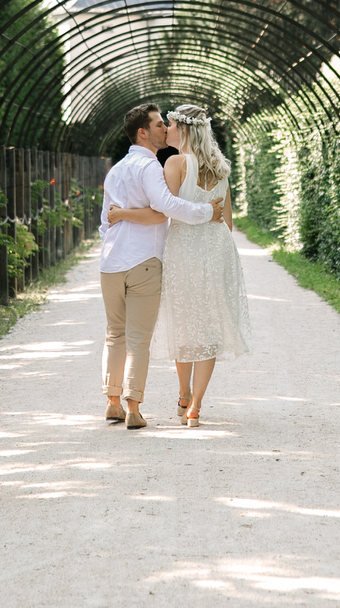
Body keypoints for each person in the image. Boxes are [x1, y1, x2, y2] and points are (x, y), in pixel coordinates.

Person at [107, 104, 250, 428]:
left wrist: (123, 214)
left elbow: (165, 209)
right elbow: (226, 220)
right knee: (210, 324)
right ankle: (194, 405)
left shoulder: (174, 163)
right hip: (216, 247)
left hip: (185, 247)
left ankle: (183, 392)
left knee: (184, 321)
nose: (166, 130)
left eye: (170, 125)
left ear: (183, 130)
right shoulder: (220, 165)